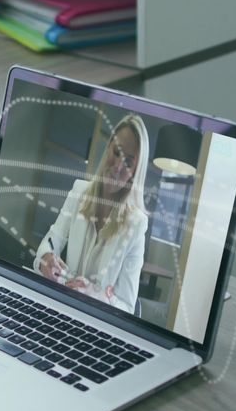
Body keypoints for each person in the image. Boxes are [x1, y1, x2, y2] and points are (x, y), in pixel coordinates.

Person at [34, 114, 150, 314]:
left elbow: (128, 308)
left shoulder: (136, 224)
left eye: (129, 163)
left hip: (95, 322)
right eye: (117, 152)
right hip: (60, 307)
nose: (118, 167)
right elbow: (50, 243)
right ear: (108, 149)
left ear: (134, 174)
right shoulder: (79, 191)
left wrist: (99, 296)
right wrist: (45, 257)